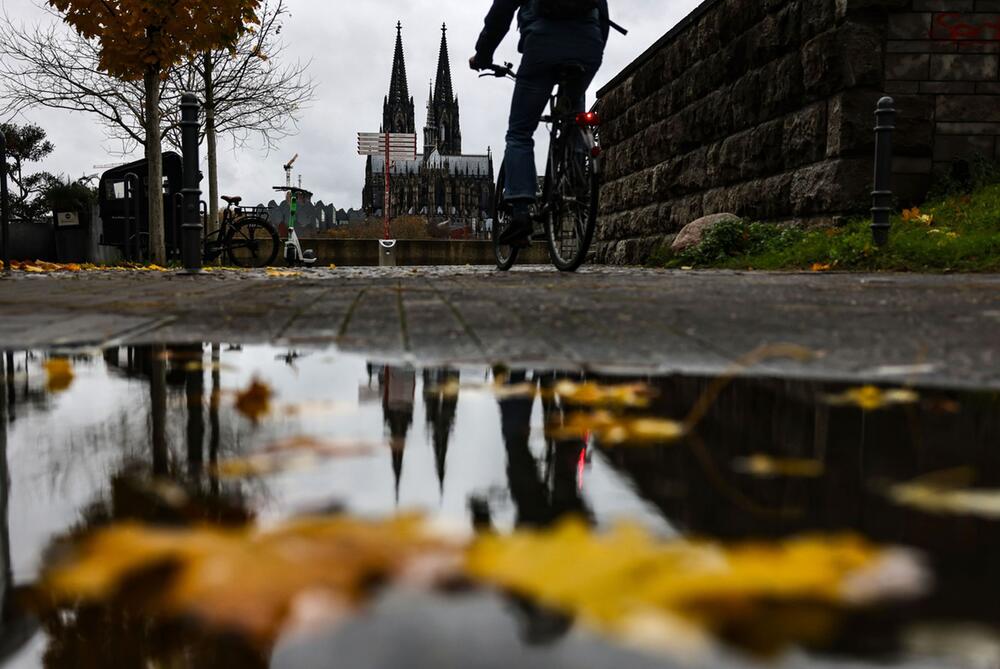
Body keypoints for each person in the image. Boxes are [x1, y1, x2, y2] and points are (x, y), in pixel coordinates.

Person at [470, 0, 610, 247]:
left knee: (520, 133)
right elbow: (603, 14)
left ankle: (521, 212)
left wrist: (483, 54)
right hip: (589, 45)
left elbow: (500, 13)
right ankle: (576, 182)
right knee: (573, 118)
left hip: (542, 46)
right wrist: (593, 50)